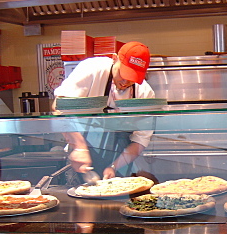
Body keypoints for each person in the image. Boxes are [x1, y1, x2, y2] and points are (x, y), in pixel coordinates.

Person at [52, 41, 155, 179]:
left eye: (132, 78)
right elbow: (58, 108)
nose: (125, 82)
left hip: (123, 162)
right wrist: (78, 146)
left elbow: (140, 141)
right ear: (114, 59)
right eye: (123, 73)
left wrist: (114, 167)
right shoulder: (93, 69)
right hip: (82, 157)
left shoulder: (145, 93)